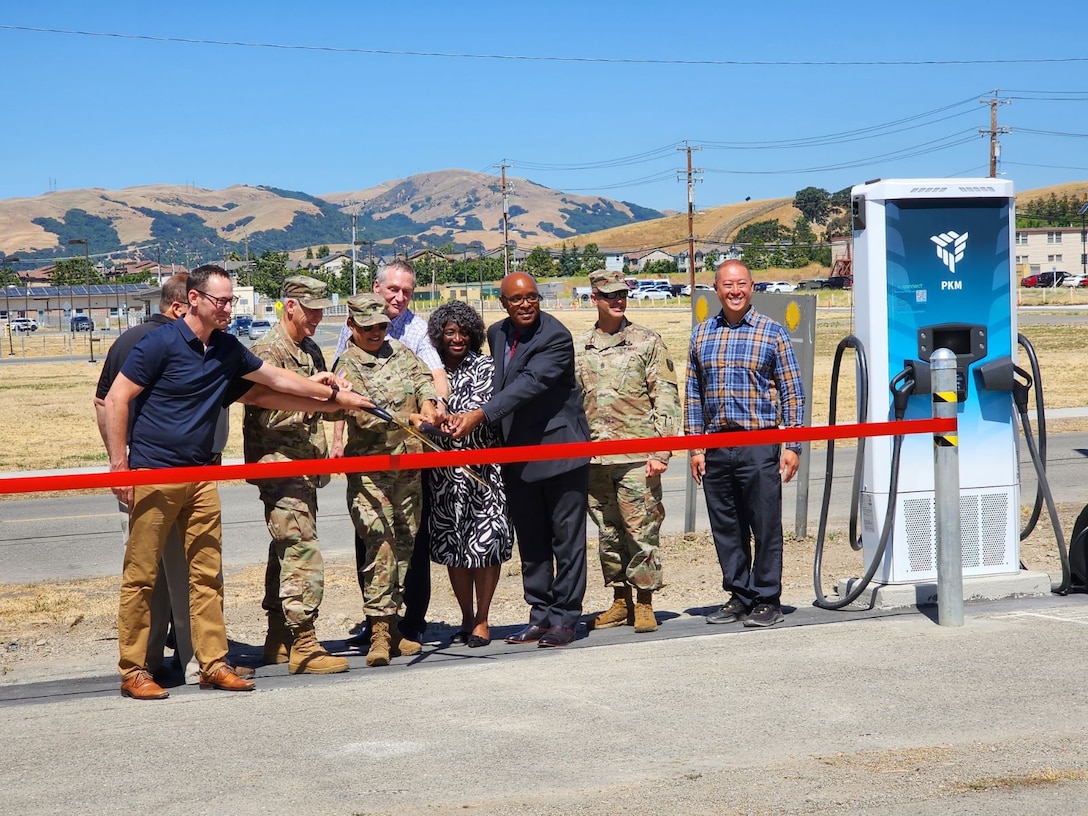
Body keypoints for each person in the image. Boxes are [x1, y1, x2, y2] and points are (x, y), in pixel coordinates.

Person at [104, 264, 373, 700]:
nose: (229, 308)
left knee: (207, 574)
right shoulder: (159, 343)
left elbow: (270, 383)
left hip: (202, 475)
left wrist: (325, 394)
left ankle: (212, 662)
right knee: (142, 577)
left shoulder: (227, 348)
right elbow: (116, 398)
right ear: (194, 299)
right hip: (154, 472)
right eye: (221, 301)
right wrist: (120, 467)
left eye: (231, 301)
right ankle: (134, 670)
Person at [448, 272, 591, 649]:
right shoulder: (497, 333)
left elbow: (529, 384)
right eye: (516, 299)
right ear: (503, 303)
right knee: (532, 542)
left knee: (567, 542)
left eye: (531, 297)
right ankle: (540, 615)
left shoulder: (556, 336)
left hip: (560, 453)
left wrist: (479, 415)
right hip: (518, 456)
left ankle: (566, 617)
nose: (525, 304)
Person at [94, 273, 204, 685]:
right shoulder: (174, 342)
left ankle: (148, 659)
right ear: (181, 306)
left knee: (143, 573)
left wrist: (116, 460)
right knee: (188, 571)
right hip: (173, 471)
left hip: (134, 472)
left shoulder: (124, 340)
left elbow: (102, 402)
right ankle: (196, 659)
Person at [685, 259, 805, 628]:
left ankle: (768, 598)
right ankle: (739, 594)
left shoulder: (772, 333)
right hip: (717, 444)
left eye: (741, 284)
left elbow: (793, 393)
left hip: (759, 443)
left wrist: (793, 444)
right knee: (727, 525)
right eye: (727, 285)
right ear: (716, 289)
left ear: (751, 287)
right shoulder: (702, 334)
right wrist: (695, 447)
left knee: (764, 523)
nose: (734, 291)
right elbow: (693, 394)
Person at [333, 259, 448, 643]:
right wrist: (404, 416)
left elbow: (427, 381)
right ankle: (379, 628)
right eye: (368, 327)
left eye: (381, 325)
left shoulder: (403, 348)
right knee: (375, 542)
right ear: (353, 326)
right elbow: (354, 409)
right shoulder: (346, 360)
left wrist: (430, 408)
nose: (377, 332)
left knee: (404, 543)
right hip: (369, 468)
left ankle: (397, 623)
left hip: (408, 468)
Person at [244, 276, 348, 675]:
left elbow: (321, 401)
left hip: (303, 466)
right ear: (290, 306)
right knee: (302, 547)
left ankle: (279, 639)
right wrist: (318, 399)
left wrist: (335, 394)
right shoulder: (269, 350)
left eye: (322, 309)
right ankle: (304, 641)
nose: (319, 317)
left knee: (285, 547)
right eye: (312, 309)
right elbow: (266, 411)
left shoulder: (307, 349)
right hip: (278, 463)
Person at [575, 269, 681, 634]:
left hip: (637, 457)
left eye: (622, 294)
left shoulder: (647, 341)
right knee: (608, 532)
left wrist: (661, 450)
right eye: (609, 296)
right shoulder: (582, 346)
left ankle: (645, 602)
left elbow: (665, 396)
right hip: (595, 458)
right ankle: (620, 600)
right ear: (594, 299)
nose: (618, 300)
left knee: (642, 531)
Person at [424, 301, 512, 648]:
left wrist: (468, 420)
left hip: (485, 470)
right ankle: (464, 616)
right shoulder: (431, 371)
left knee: (486, 545)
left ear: (473, 334)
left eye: (463, 332)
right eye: (449, 332)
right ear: (439, 336)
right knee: (454, 547)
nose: (457, 338)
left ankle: (483, 619)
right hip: (446, 474)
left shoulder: (488, 367)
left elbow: (494, 410)